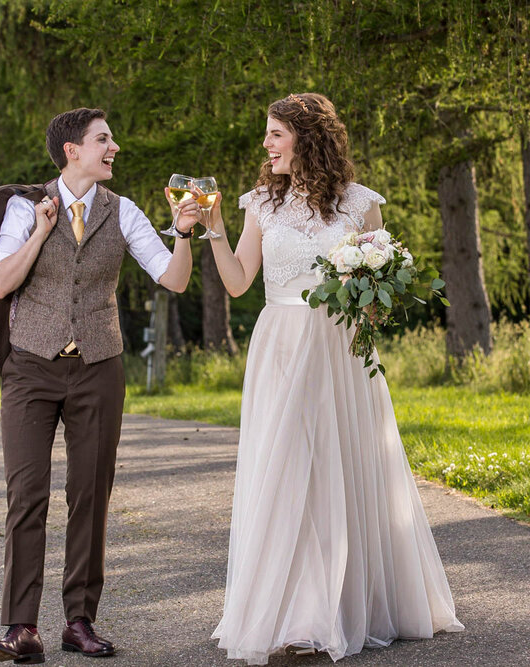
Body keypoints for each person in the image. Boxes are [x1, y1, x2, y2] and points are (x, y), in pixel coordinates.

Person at [204, 93, 464, 664]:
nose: (266, 145)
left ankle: (341, 609)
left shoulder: (359, 204)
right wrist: (216, 229)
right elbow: (240, 282)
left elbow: (385, 287)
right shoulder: (259, 204)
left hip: (340, 348)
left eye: (275, 134)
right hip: (280, 346)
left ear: (306, 138)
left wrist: (369, 298)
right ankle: (296, 615)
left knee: (337, 471)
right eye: (267, 134)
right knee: (287, 471)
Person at [0, 107, 201, 664]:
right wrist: (42, 231)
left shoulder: (123, 212)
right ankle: (21, 628)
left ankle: (79, 621)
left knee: (90, 496)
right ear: (72, 150)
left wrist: (185, 233)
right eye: (104, 139)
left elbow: (172, 278)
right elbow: (1, 281)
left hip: (99, 367)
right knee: (26, 496)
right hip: (31, 367)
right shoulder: (23, 208)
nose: (115, 147)